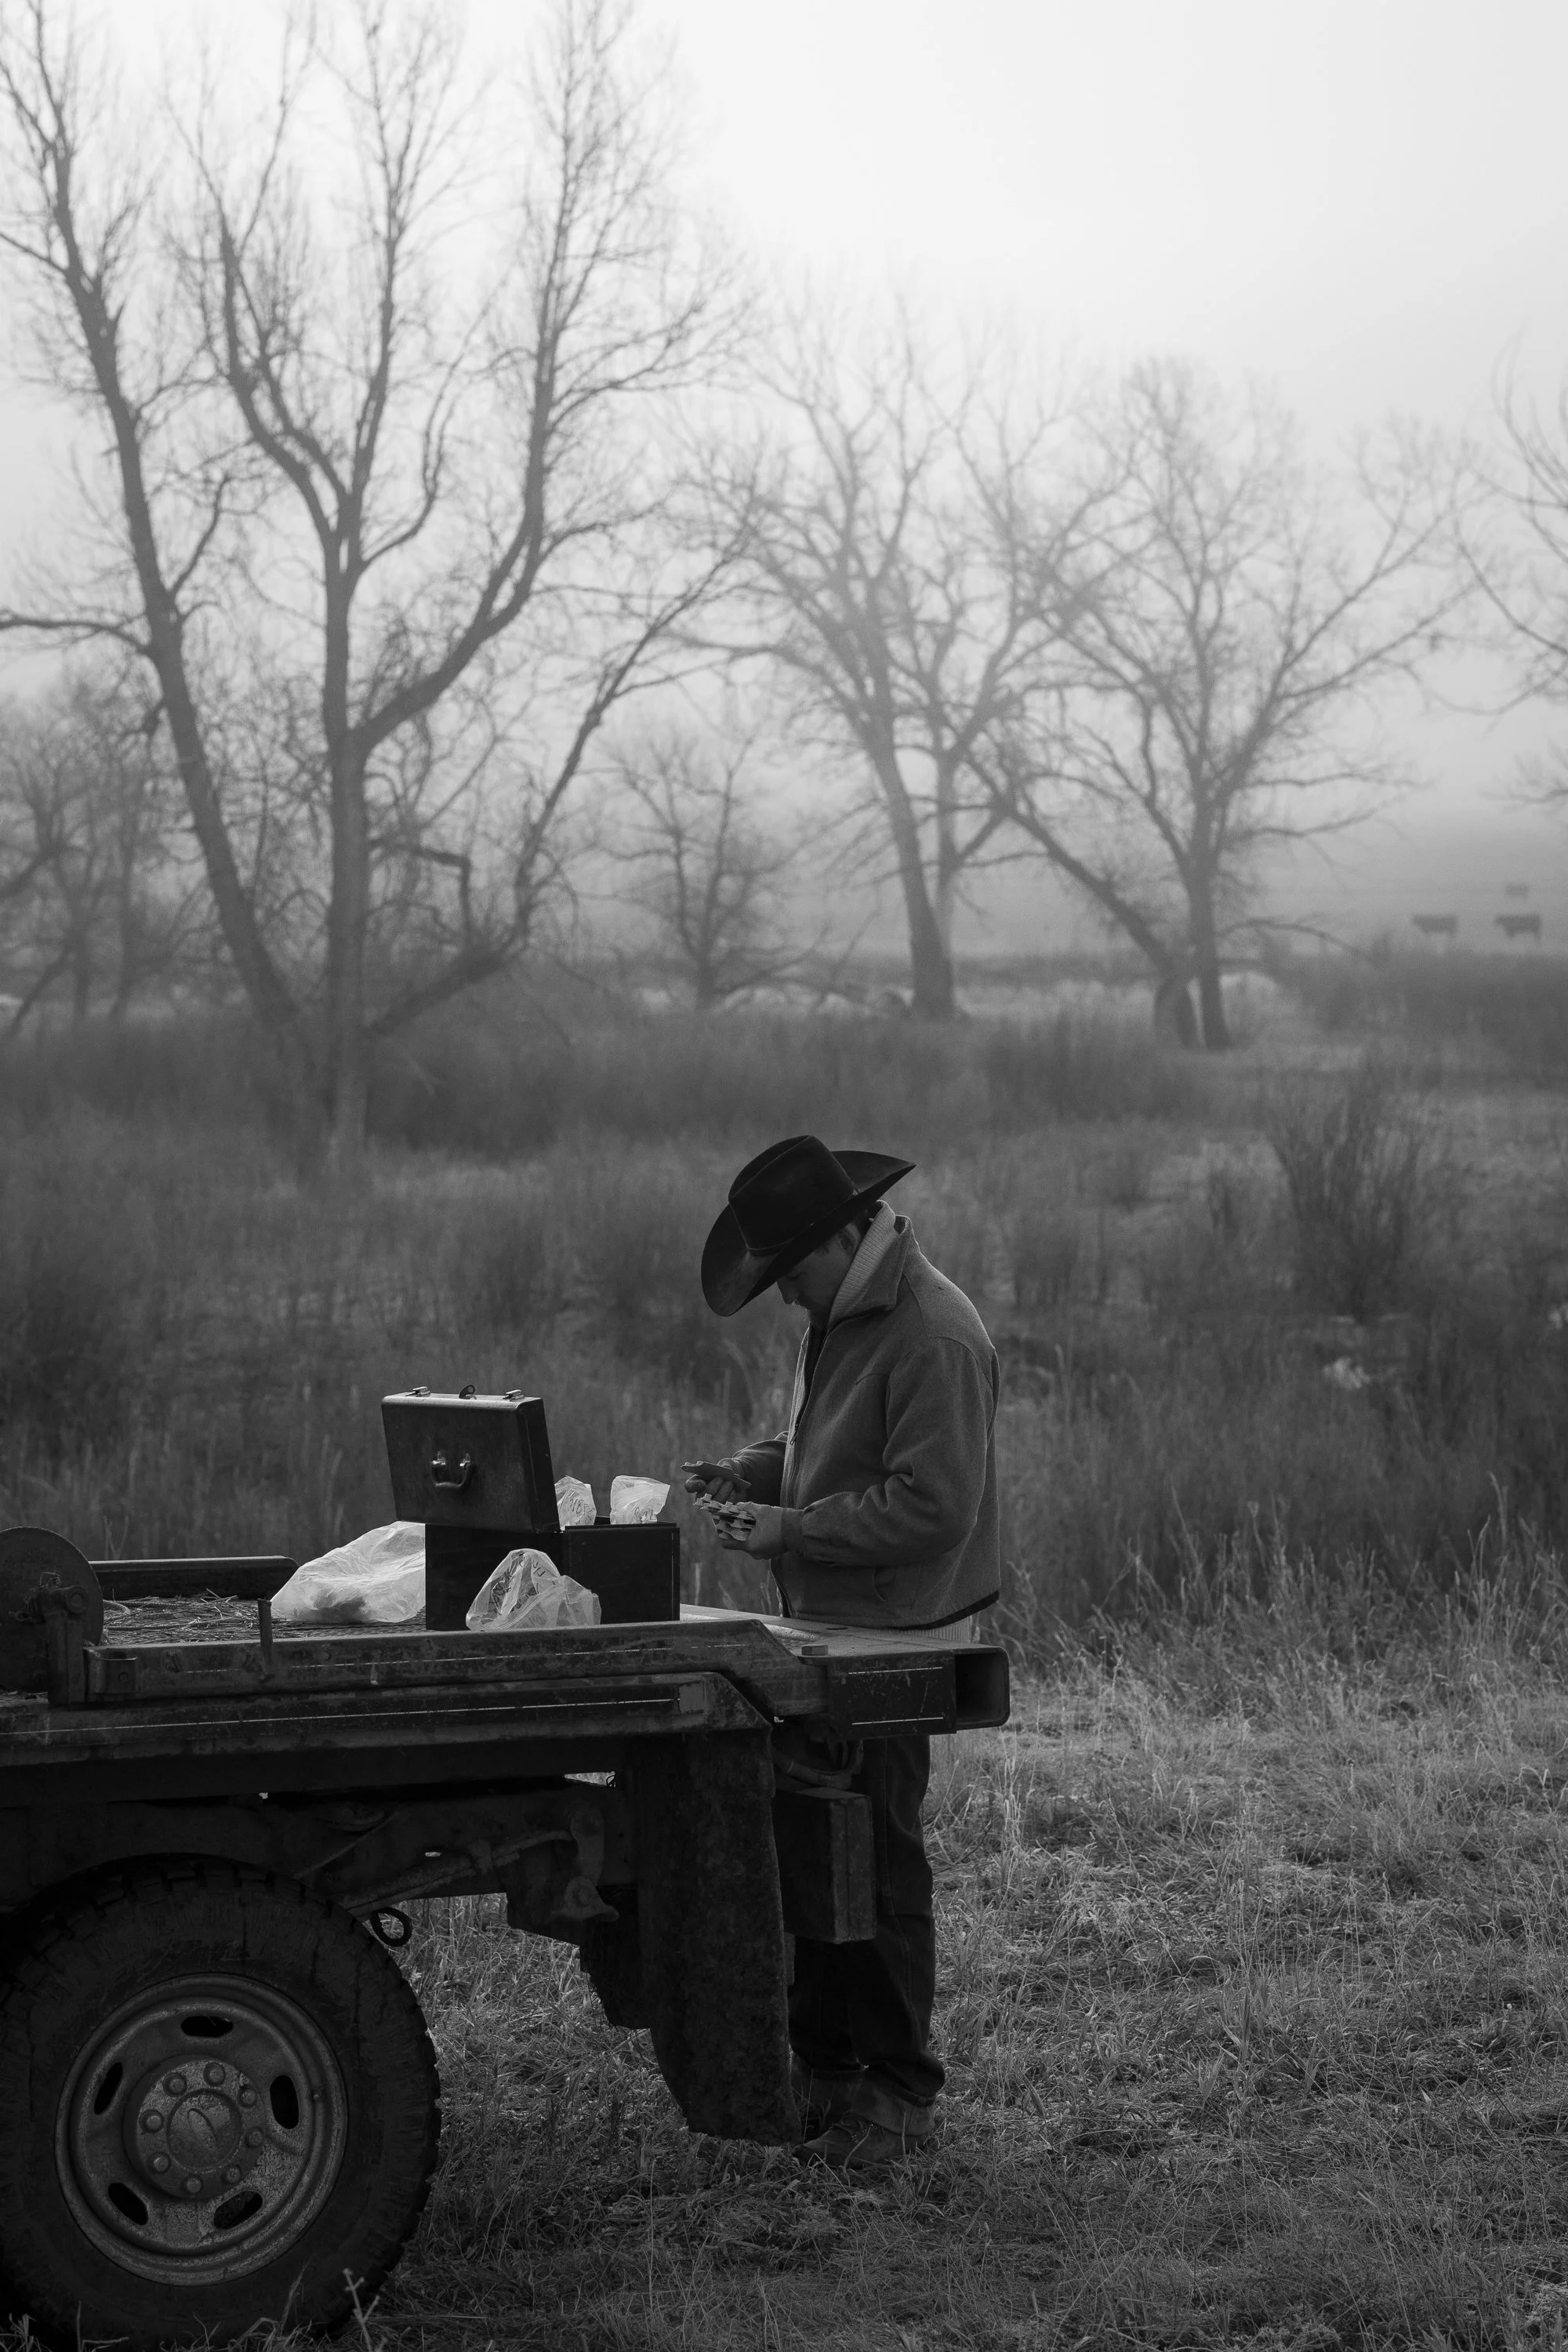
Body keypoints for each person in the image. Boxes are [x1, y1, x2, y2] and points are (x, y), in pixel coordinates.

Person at [684, 1133, 1000, 2172]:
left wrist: (793, 1531)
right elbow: (829, 1447)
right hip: (834, 1635)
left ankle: (900, 2092)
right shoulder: (846, 1312)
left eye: (789, 1273)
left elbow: (934, 1508)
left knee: (880, 1867)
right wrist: (753, 1471)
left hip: (897, 1644)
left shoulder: (934, 1334)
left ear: (839, 1238)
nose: (782, 1298)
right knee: (815, 1852)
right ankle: (826, 2075)